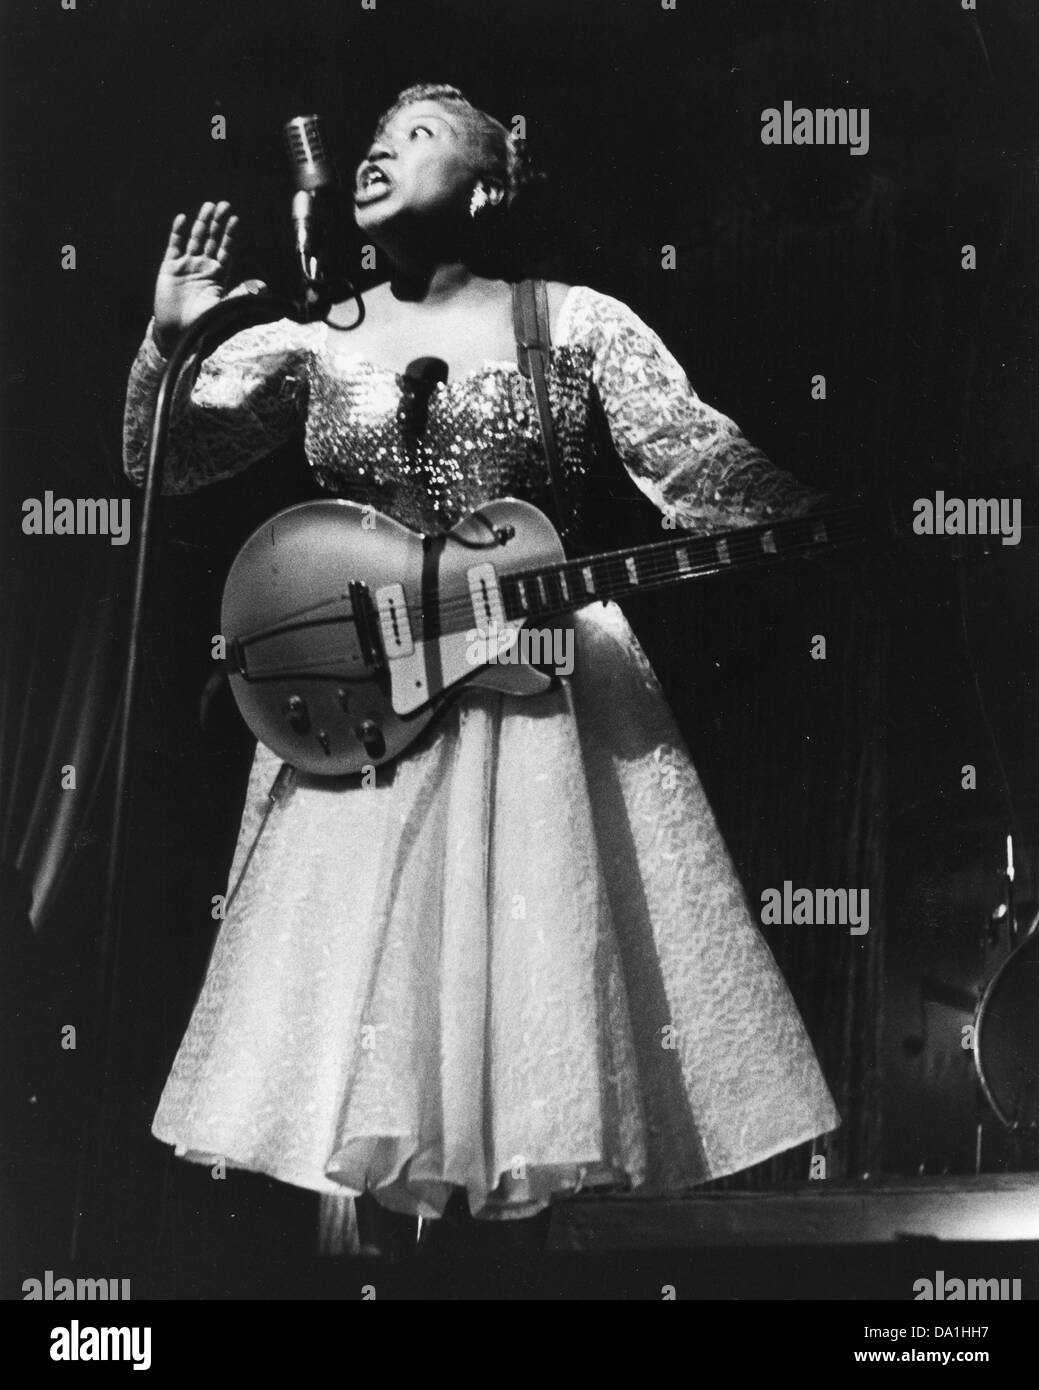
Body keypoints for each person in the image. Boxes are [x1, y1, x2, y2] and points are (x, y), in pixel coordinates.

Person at [123, 83, 839, 1243]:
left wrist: (845, 515)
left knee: (512, 1045)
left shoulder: (575, 321)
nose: (375, 154)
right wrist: (169, 341)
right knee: (365, 1060)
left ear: (489, 183)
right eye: (371, 141)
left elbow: (700, 468)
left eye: (415, 139)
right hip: (363, 707)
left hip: (532, 699)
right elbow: (167, 464)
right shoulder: (319, 336)